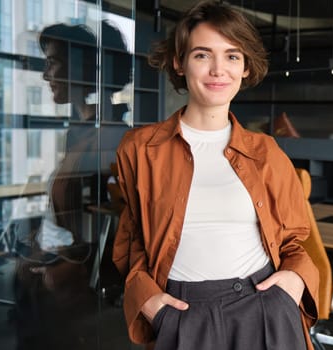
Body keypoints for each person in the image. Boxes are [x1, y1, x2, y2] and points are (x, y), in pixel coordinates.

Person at [112, 1, 319, 349]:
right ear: (180, 62)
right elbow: (132, 242)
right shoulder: (139, 149)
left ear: (245, 67)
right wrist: (149, 302)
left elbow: (293, 241)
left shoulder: (267, 152)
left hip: (265, 306)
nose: (218, 70)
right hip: (182, 313)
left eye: (232, 56)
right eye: (203, 55)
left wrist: (293, 284)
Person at [13, 21, 130, 350]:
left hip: (70, 288)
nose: (46, 74)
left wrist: (65, 261)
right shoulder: (80, 132)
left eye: (53, 62)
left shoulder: (110, 137)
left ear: (82, 67)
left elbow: (119, 222)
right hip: (48, 279)